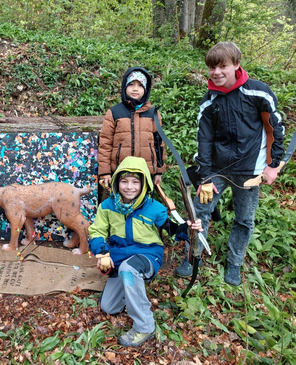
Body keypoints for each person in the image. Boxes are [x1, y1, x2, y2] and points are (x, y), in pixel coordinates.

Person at [175, 42, 285, 285]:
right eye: (212, 67)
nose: (216, 72)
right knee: (198, 212)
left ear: (237, 64)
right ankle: (193, 258)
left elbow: (276, 127)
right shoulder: (209, 101)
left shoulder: (258, 92)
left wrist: (273, 164)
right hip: (215, 170)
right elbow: (203, 140)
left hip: (250, 172)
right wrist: (204, 177)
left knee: (244, 219)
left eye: (222, 66)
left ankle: (234, 263)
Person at [89, 156, 202, 347]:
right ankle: (133, 285)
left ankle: (145, 326)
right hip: (119, 255)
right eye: (124, 181)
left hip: (148, 255)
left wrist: (188, 229)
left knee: (128, 270)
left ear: (144, 184)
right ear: (117, 182)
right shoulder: (107, 206)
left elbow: (171, 228)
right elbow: (97, 231)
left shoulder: (154, 208)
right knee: (109, 307)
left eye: (135, 182)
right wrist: (102, 253)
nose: (129, 187)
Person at [98, 67, 166, 191]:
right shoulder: (114, 112)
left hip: (146, 171)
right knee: (119, 205)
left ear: (146, 89)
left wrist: (159, 171)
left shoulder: (153, 113)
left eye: (140, 85)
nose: (135, 89)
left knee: (143, 206)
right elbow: (105, 144)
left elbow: (159, 144)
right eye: (131, 84)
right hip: (120, 170)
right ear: (125, 87)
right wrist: (105, 172)